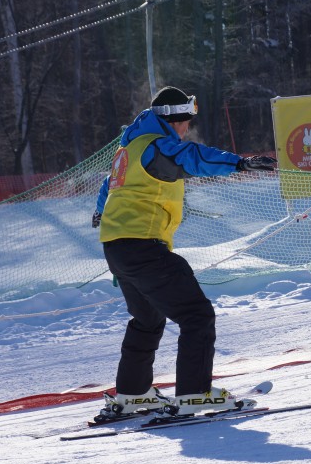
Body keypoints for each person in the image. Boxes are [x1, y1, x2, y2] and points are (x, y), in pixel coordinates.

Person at [91, 86, 276, 420]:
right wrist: (239, 163)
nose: (188, 127)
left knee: (147, 319)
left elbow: (109, 186)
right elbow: (192, 157)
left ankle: (133, 394)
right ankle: (194, 394)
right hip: (142, 244)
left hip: (117, 246)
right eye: (186, 120)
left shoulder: (129, 148)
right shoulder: (159, 146)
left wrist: (100, 212)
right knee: (197, 316)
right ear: (174, 119)